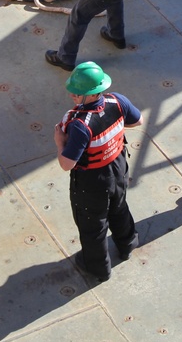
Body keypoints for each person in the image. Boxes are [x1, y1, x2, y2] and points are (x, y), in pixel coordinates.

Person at [54, 61, 143, 282]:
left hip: (92, 181)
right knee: (119, 206)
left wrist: (59, 143)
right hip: (118, 166)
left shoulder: (80, 124)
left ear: (91, 94)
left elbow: (67, 164)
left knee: (93, 223)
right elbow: (138, 120)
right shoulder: (117, 101)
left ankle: (98, 268)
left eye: (77, 93)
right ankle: (128, 244)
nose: (72, 95)